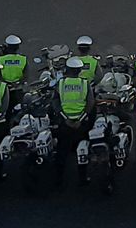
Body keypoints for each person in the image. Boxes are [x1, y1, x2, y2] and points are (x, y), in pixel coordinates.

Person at [53, 56, 94, 186]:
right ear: (79, 70)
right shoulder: (84, 83)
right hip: (81, 124)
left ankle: (59, 179)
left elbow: (55, 102)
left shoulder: (61, 83)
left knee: (62, 151)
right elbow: (90, 103)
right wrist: (80, 120)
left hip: (65, 123)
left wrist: (66, 120)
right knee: (83, 149)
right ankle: (83, 178)